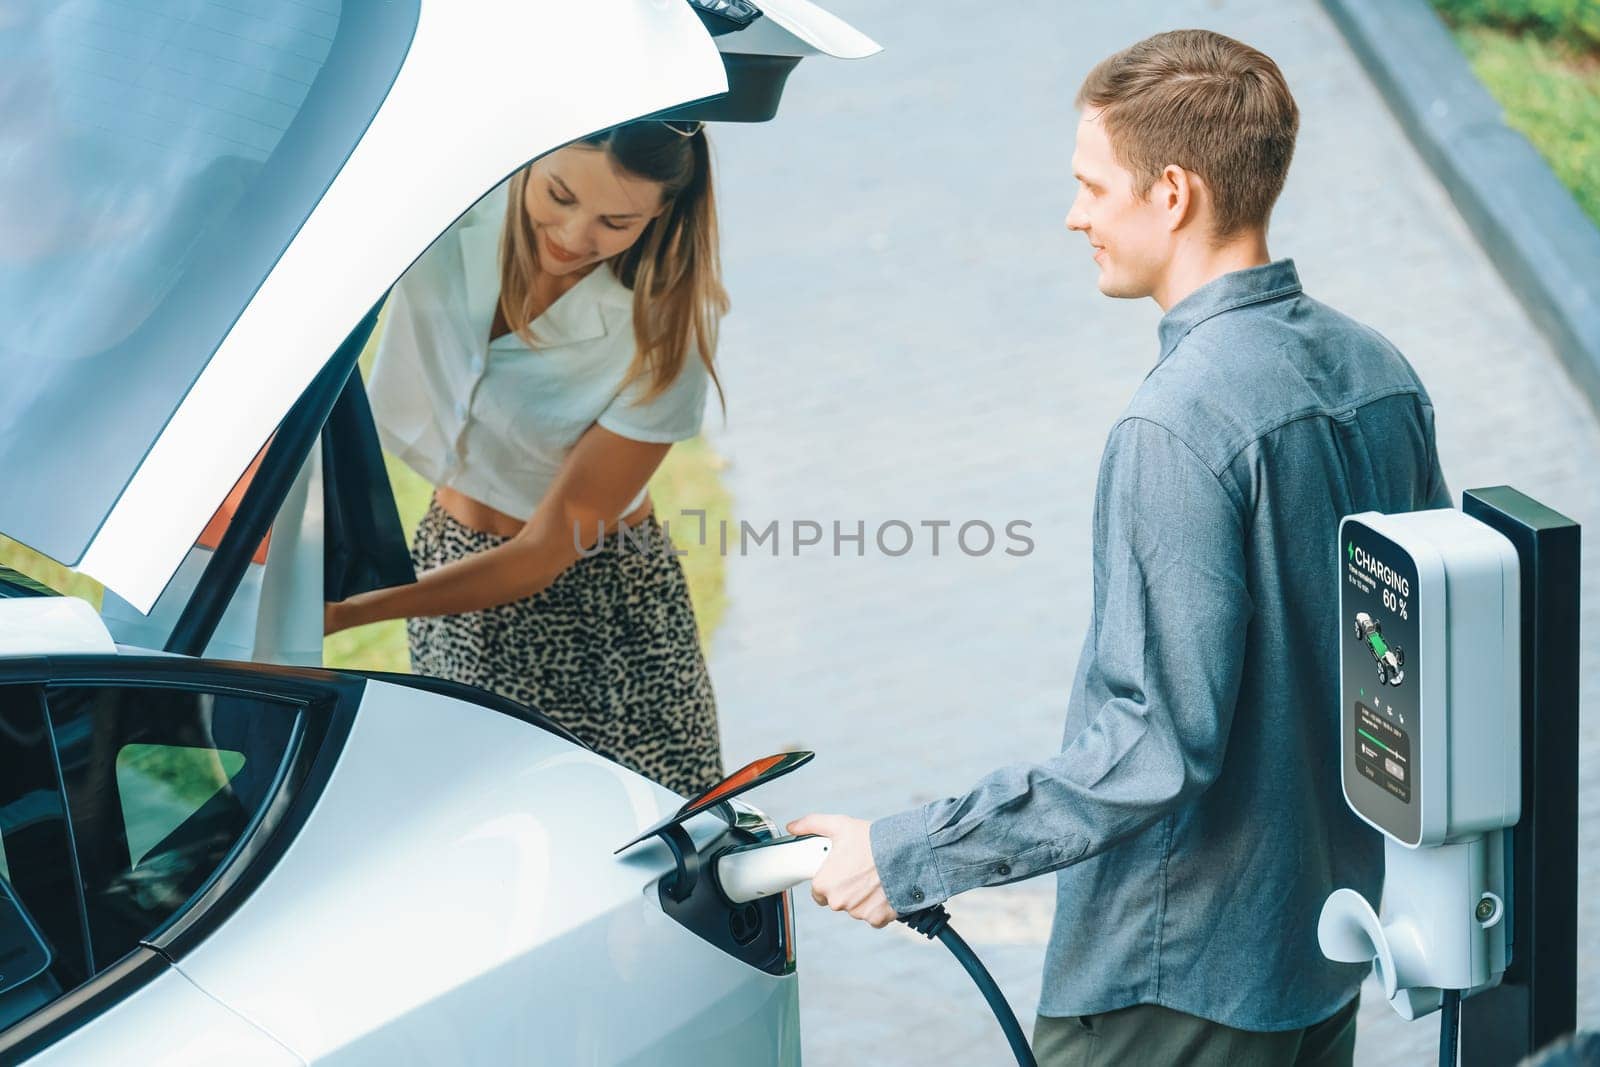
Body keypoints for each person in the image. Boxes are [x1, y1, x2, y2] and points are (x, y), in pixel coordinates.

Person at [789, 29, 1452, 1066]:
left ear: (1172, 193)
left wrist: (906, 850)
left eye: (1093, 187)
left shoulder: (1175, 427)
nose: (1075, 215)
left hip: (1172, 982)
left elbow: (1153, 748)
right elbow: (1417, 674)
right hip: (1319, 953)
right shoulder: (1379, 374)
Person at [324, 121, 728, 798]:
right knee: (469, 815)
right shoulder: (448, 213)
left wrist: (352, 611)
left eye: (616, 221)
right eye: (559, 194)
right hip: (447, 559)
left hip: (598, 612)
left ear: (661, 212)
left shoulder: (667, 327)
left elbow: (546, 549)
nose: (574, 236)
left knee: (640, 833)